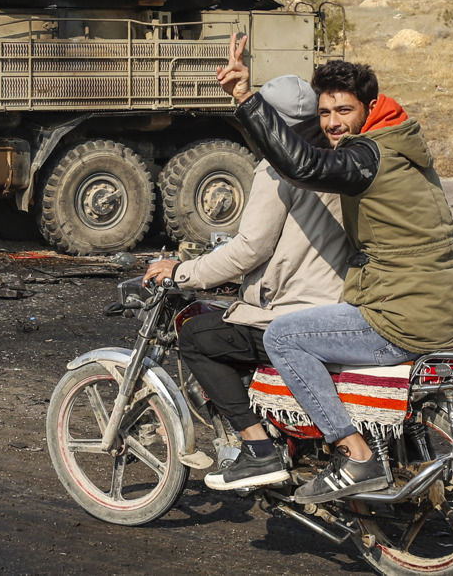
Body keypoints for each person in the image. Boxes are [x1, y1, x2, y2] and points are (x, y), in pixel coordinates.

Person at [217, 38, 453, 503]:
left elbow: (301, 164)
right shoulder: (402, 144)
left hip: (408, 314)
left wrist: (244, 98)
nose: (334, 122)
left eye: (343, 110)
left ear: (370, 107)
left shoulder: (367, 157)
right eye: (325, 114)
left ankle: (354, 454)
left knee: (283, 335)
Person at [143, 75, 351, 490]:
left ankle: (259, 450)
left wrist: (182, 272)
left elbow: (250, 248)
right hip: (339, 305)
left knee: (199, 338)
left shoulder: (278, 166)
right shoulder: (339, 156)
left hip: (296, 313)